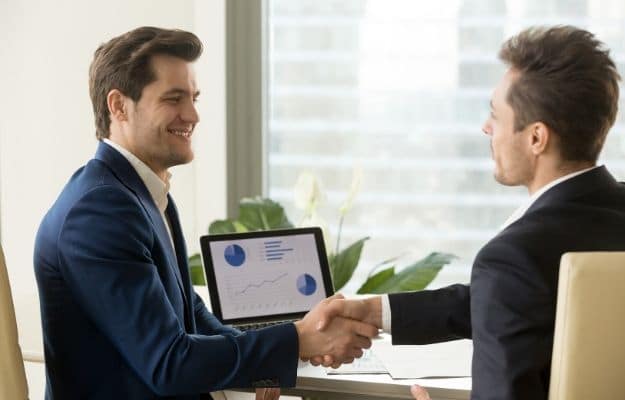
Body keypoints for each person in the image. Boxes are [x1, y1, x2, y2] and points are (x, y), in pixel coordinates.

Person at [33, 26, 378, 400]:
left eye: (194, 97)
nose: (193, 114)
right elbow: (169, 364)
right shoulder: (99, 210)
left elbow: (190, 312)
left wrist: (278, 354)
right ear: (118, 106)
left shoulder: (140, 190)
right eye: (174, 98)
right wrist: (297, 340)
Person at [316, 25, 625, 400]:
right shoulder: (597, 220)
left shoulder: (514, 258)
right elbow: (521, 297)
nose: (486, 128)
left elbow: (514, 284)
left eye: (496, 115)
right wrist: (375, 311)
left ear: (536, 138)